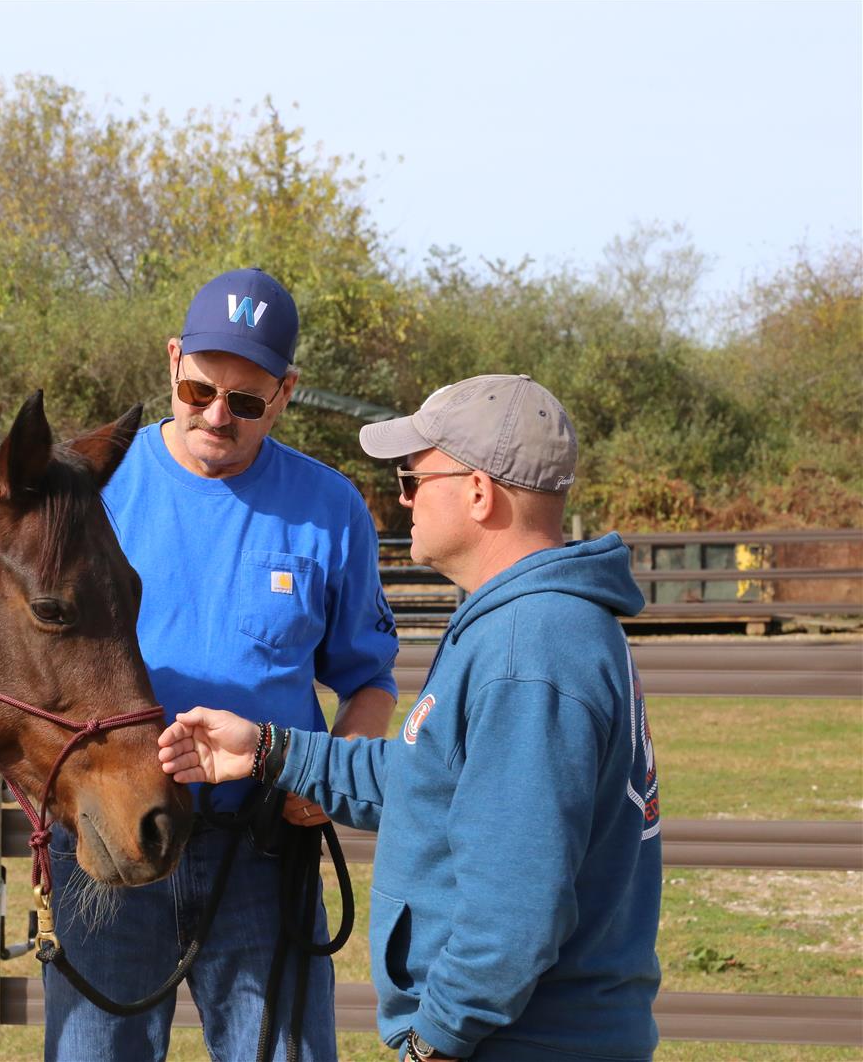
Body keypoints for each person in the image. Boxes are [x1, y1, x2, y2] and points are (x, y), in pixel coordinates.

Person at [158, 374, 662, 1062]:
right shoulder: (532, 624)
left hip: (519, 1042)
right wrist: (269, 751)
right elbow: (439, 779)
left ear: (479, 492)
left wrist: (437, 1042)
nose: (402, 499)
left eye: (412, 478)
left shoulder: (528, 649)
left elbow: (513, 907)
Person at [42, 268, 400, 1061]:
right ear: (173, 360)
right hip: (110, 846)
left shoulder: (330, 508)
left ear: (285, 393)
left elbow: (369, 680)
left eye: (244, 401)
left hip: (262, 851)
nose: (215, 415)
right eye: (198, 390)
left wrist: (329, 774)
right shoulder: (90, 489)